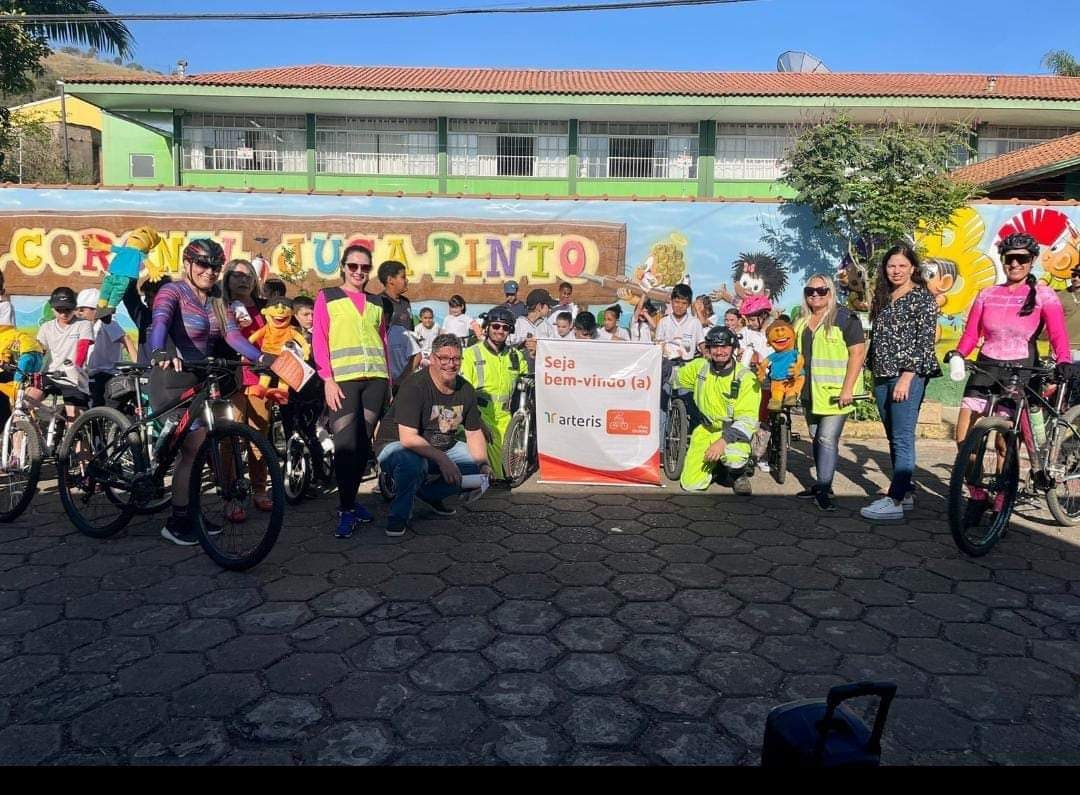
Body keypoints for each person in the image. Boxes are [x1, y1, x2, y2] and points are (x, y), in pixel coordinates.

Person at [148, 239, 272, 546]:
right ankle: (177, 522)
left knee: (196, 449)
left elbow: (232, 335)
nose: (210, 271)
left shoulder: (218, 298)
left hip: (200, 381)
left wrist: (260, 357)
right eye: (203, 264)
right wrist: (159, 351)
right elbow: (159, 323)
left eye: (216, 266)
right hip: (171, 378)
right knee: (191, 448)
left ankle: (189, 513)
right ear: (187, 264)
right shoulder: (172, 291)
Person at [948, 231, 1071, 463]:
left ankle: (1004, 485)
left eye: (1021, 258)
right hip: (986, 367)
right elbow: (972, 334)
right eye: (1009, 258)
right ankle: (972, 482)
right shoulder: (987, 294)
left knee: (1004, 444)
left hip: (1021, 369)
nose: (1014, 264)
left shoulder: (1044, 295)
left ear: (1032, 260)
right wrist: (959, 353)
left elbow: (1058, 334)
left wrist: (1063, 360)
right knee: (964, 438)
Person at [374, 334, 493, 536]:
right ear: (432, 358)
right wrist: (443, 460)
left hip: (440, 446)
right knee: (413, 463)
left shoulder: (466, 389)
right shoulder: (415, 386)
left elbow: (473, 433)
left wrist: (483, 466)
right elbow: (408, 438)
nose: (450, 364)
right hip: (397, 445)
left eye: (456, 358)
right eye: (444, 358)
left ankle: (429, 494)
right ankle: (398, 515)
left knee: (475, 468)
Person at [313, 244, 391, 539]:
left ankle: (351, 502)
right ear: (343, 267)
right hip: (343, 381)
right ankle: (345, 508)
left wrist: (389, 384)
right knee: (344, 445)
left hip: (376, 381)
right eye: (353, 266)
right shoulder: (327, 296)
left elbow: (382, 342)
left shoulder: (377, 302)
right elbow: (320, 339)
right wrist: (327, 379)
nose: (359, 272)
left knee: (361, 445)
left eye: (365, 267)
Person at [861, 244, 942, 521]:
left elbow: (925, 341)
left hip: (906, 376)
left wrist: (907, 377)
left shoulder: (922, 298)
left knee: (902, 437)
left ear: (912, 268)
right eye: (891, 266)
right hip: (882, 374)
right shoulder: (885, 296)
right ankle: (905, 491)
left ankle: (894, 500)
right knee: (893, 436)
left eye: (902, 266)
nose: (896, 271)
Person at [793, 274, 867, 512]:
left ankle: (824, 490)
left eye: (821, 290)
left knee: (826, 438)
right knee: (816, 437)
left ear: (830, 292)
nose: (815, 295)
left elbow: (857, 354)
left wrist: (847, 389)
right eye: (810, 291)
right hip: (810, 392)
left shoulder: (844, 318)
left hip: (836, 394)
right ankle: (821, 484)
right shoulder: (801, 322)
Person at [676, 326, 760, 495]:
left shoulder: (746, 378)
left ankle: (738, 475)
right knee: (691, 484)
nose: (719, 351)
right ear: (708, 348)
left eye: (724, 346)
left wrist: (722, 442)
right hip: (706, 429)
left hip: (733, 433)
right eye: (715, 346)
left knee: (734, 456)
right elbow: (675, 377)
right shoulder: (700, 367)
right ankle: (718, 469)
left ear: (733, 348)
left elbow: (747, 420)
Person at [221, 258, 275, 513]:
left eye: (248, 276)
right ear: (226, 279)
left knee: (259, 437)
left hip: (260, 380)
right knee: (229, 439)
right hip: (230, 380)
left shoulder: (265, 307)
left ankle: (259, 489)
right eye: (237, 275)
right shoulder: (220, 306)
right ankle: (231, 495)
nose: (243, 280)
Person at [460, 306, 528, 480]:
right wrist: (478, 421)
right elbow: (463, 392)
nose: (500, 331)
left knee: (509, 470)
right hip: (480, 414)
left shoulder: (515, 356)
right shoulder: (471, 354)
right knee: (494, 472)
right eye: (496, 326)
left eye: (505, 328)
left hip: (507, 417)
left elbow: (528, 382)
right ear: (487, 327)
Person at [36, 286, 93, 417]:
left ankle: (71, 428)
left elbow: (82, 350)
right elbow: (39, 350)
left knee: (73, 417)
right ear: (52, 308)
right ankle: (30, 429)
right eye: (59, 310)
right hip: (50, 374)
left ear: (74, 308)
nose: (64, 314)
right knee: (25, 401)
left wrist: (75, 368)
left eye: (68, 309)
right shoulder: (46, 327)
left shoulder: (83, 324)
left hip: (73, 377)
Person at [77, 288, 137, 408]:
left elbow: (126, 339)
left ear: (95, 309)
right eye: (78, 309)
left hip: (106, 374)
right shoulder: (85, 326)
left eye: (83, 309)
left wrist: (137, 365)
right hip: (90, 374)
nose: (80, 313)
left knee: (99, 410)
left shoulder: (107, 322)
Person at [377, 260, 421, 387]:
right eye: (403, 277)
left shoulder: (406, 302)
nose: (407, 280)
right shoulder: (378, 302)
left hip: (407, 371)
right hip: (387, 374)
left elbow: (411, 337)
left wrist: (405, 375)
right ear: (390, 280)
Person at [123, 275, 173, 364]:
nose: (145, 300)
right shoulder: (143, 316)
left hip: (171, 370)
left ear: (163, 296)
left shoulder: (180, 319)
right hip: (146, 371)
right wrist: (131, 272)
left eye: (149, 296)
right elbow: (129, 295)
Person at [513, 288, 556, 358]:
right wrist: (523, 343)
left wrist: (539, 347)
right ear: (539, 306)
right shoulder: (518, 324)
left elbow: (553, 347)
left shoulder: (547, 326)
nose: (550, 309)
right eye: (548, 306)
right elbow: (508, 346)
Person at [737, 295, 771, 369]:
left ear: (764, 316)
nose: (749, 323)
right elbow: (739, 349)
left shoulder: (775, 332)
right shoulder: (745, 331)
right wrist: (739, 353)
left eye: (752, 320)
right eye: (748, 319)